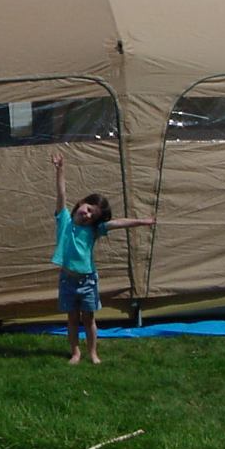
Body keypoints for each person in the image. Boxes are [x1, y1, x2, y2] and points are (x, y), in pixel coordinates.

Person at [50, 152, 154, 364]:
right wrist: (60, 169)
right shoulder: (64, 220)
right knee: (72, 319)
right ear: (80, 204)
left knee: (88, 319)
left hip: (87, 281)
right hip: (67, 281)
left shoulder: (93, 231)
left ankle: (93, 353)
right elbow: (61, 194)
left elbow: (117, 223)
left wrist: (142, 222)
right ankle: (76, 353)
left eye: (92, 216)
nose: (87, 215)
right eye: (87, 209)